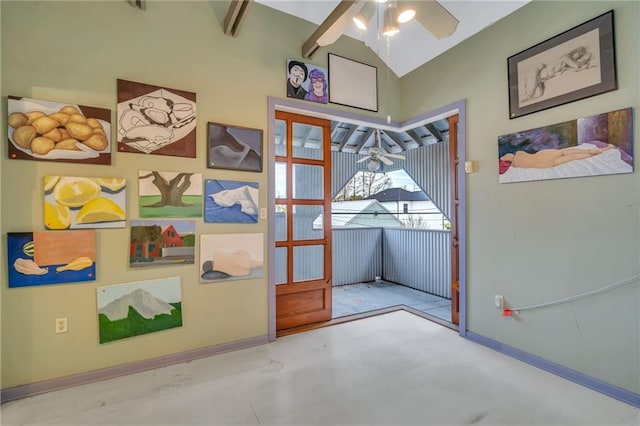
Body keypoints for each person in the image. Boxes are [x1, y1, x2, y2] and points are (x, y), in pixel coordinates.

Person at [520, 46, 594, 103]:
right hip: (536, 72)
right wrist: (587, 57)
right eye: (580, 52)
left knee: (536, 96)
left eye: (581, 54)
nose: (579, 55)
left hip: (540, 78)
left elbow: (577, 68)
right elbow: (577, 65)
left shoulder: (566, 65)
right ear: (575, 51)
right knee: (529, 95)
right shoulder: (565, 57)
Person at [499, 144, 615, 171]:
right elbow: (505, 157)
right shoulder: (517, 156)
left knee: (572, 156)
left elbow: (504, 159)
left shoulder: (517, 165)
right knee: (567, 152)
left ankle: (596, 151)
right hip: (543, 158)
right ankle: (602, 149)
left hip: (545, 164)